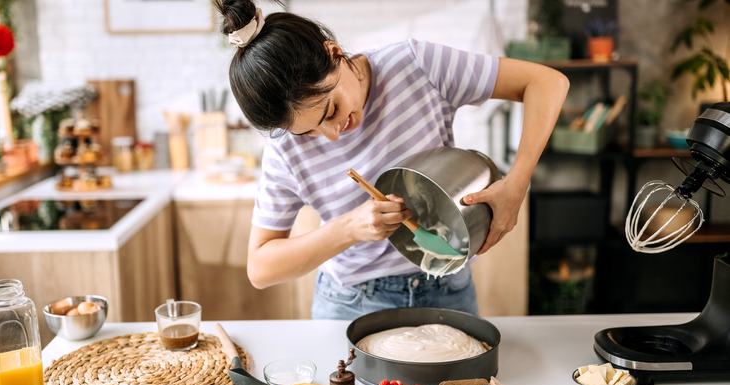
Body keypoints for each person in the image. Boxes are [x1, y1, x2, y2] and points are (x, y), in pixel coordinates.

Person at [212, 0, 569, 319]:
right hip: (351, 305)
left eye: (331, 109)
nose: (334, 134)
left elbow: (547, 83)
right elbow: (260, 268)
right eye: (309, 131)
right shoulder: (286, 151)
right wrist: (348, 228)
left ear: (334, 52)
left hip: (447, 291)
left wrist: (517, 183)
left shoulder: (415, 65)